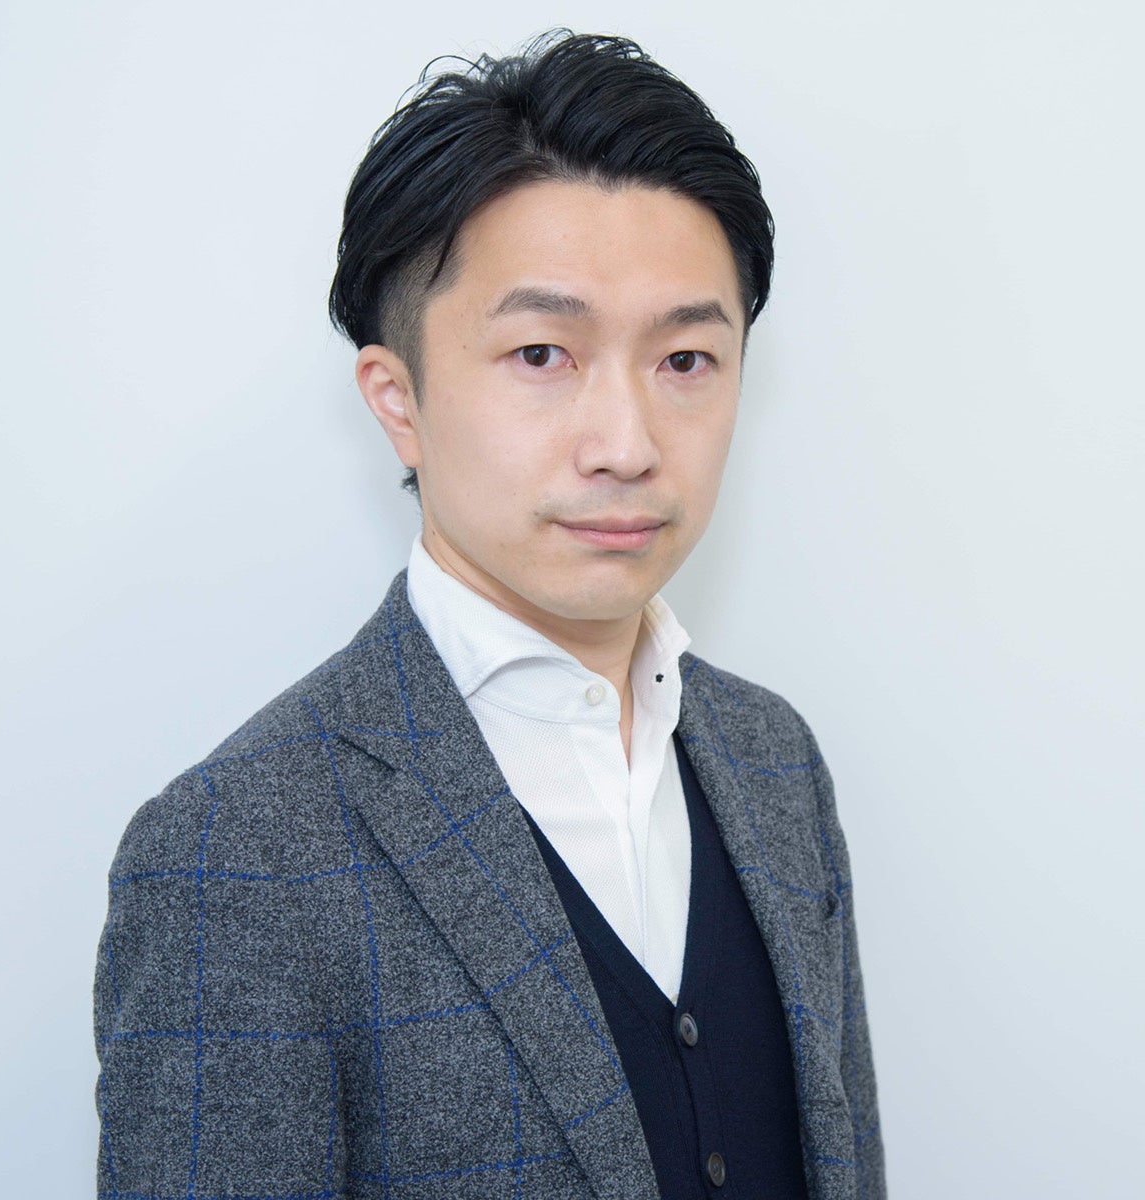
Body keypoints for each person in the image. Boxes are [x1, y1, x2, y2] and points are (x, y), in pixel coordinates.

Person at [94, 31, 884, 1200]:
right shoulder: (235, 855)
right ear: (398, 401)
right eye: (543, 353)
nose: (626, 445)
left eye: (685, 360)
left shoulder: (776, 762)